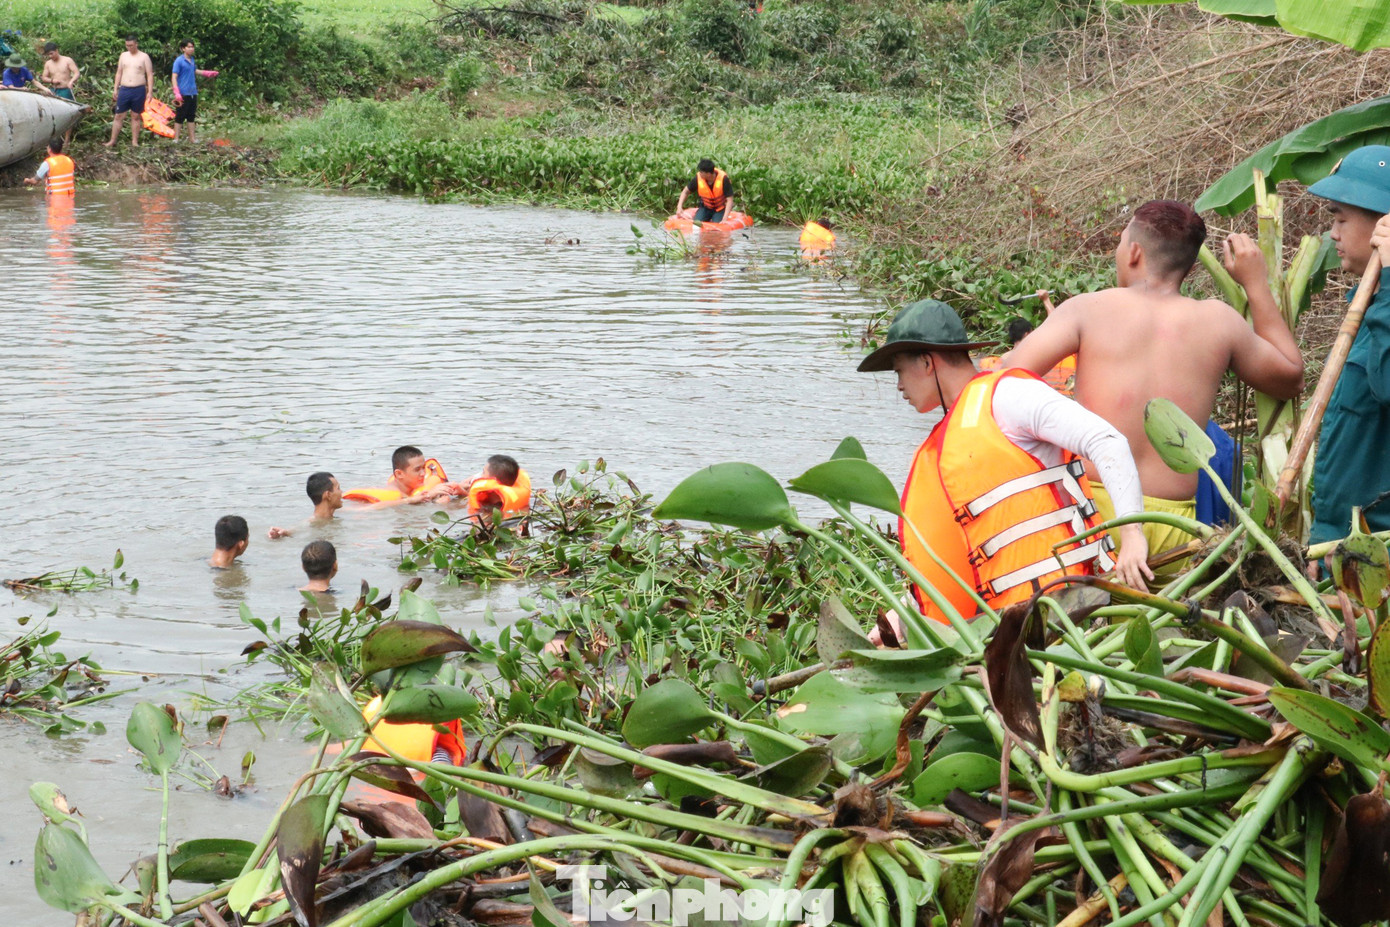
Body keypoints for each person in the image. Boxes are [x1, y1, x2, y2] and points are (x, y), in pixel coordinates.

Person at [1005, 200, 1303, 572]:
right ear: (1188, 267)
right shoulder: (1219, 322)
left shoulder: (1087, 309)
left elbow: (1003, 380)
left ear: (1133, 252)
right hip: (1176, 529)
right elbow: (1291, 377)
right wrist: (1255, 283)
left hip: (1089, 517)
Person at [859, 299, 1151, 624]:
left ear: (927, 363)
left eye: (899, 371)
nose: (899, 385)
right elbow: (952, 550)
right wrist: (900, 620)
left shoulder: (1008, 396)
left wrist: (1132, 534)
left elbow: (1106, 441)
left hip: (1068, 608)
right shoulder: (948, 442)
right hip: (1009, 623)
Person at [1304, 146, 1390, 546]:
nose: (1333, 234)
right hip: (1339, 542)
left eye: (1341, 219)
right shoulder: (1369, 307)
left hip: (1377, 549)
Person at [343, 446, 453, 505]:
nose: (423, 473)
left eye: (424, 468)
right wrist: (429, 500)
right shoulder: (390, 498)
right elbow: (356, 511)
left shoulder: (424, 485)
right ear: (399, 474)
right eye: (417, 470)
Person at [106, 36, 154, 148]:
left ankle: (134, 142)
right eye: (127, 45)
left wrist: (150, 91)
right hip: (124, 89)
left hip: (139, 89)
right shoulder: (123, 55)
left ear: (136, 44)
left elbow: (149, 75)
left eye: (131, 45)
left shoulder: (144, 57)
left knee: (135, 116)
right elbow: (119, 72)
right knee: (118, 115)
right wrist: (115, 88)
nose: (129, 47)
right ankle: (112, 140)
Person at [450, 454, 532, 518]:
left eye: (483, 472)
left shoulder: (489, 511)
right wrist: (463, 492)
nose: (480, 476)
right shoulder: (509, 492)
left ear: (493, 480)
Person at [267, 471, 344, 539]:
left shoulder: (329, 518)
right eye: (338, 488)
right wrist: (284, 533)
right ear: (328, 495)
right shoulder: (311, 523)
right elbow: (294, 531)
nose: (341, 492)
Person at [170, 40, 218, 143]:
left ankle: (192, 139)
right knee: (180, 116)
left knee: (191, 116)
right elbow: (174, 77)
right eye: (189, 47)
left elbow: (195, 71)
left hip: (193, 92)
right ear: (183, 48)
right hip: (183, 93)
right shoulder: (179, 61)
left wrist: (207, 73)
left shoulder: (192, 59)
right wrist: (176, 92)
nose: (191, 49)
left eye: (192, 47)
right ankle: (176, 139)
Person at [676, 158, 736, 225]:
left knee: (717, 225)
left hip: (720, 209)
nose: (700, 173)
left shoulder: (723, 179)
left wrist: (724, 218)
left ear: (708, 174)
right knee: (696, 224)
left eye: (701, 172)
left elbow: (730, 199)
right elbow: (685, 192)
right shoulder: (698, 178)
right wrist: (679, 207)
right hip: (706, 208)